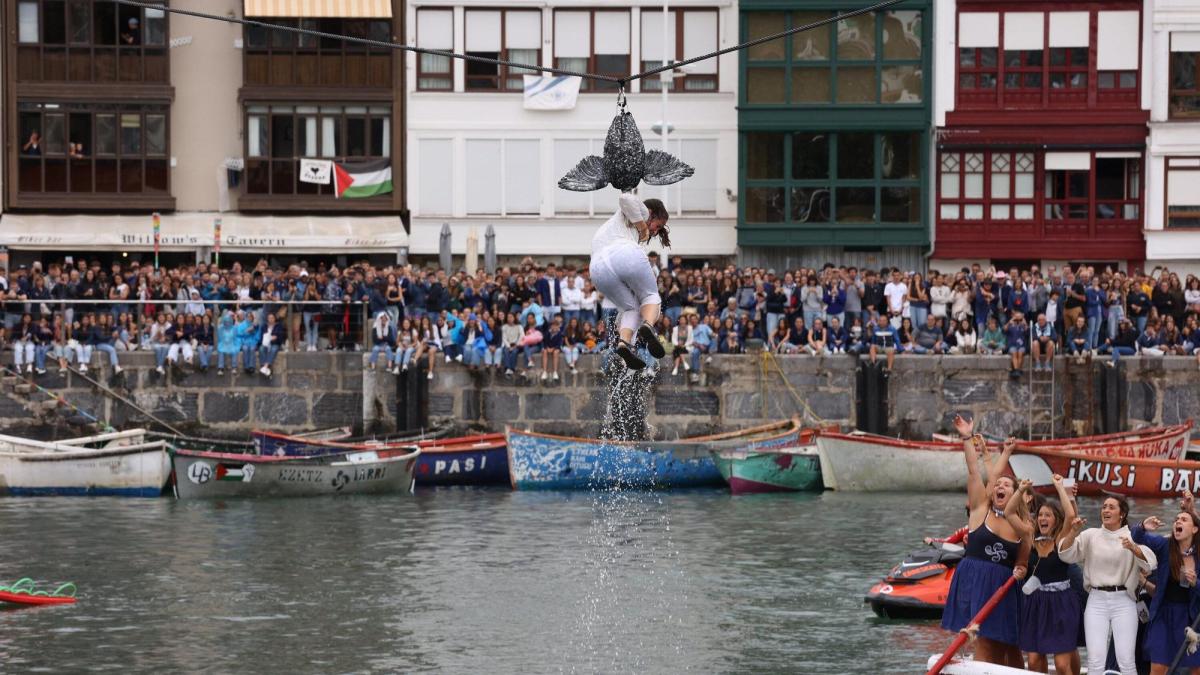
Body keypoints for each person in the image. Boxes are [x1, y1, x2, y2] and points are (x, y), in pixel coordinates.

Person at [942, 416, 1027, 668]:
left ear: (1016, 495)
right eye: (997, 484)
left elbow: (1022, 561)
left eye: (1006, 485)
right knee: (986, 643)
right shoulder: (981, 509)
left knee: (1008, 646)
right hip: (976, 580)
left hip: (1005, 589)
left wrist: (1021, 569)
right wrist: (967, 437)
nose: (999, 485)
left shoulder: (1022, 527)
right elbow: (973, 469)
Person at [1059, 494, 1156, 675]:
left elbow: (1150, 564)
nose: (1106, 510)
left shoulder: (1132, 536)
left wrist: (1134, 548)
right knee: (1095, 661)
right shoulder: (1091, 535)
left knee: (1126, 661)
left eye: (1111, 507)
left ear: (1122, 514)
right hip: (1096, 600)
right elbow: (1065, 554)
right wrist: (1073, 532)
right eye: (1104, 507)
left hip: (1124, 600)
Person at [1006, 476, 1081, 675]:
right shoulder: (1030, 536)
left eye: (1048, 515)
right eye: (1040, 515)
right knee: (1033, 661)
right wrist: (1020, 490)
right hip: (1035, 602)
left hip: (1061, 603)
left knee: (1062, 665)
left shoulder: (1061, 539)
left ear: (1056, 519)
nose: (1042, 519)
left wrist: (1059, 487)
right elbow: (1009, 512)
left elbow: (1070, 513)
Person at [589, 193, 671, 371]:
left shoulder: (617, 225)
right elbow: (625, 197)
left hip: (597, 270)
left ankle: (624, 344)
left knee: (631, 308)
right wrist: (643, 227)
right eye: (657, 226)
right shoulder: (641, 212)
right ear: (651, 213)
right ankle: (649, 326)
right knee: (651, 297)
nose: (655, 232)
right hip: (623, 254)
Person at [1132, 506, 1200, 675]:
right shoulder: (1165, 546)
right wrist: (1142, 526)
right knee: (1158, 666)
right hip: (1163, 614)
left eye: (1184, 519)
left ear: (1195, 529)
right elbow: (1136, 536)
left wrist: (1195, 583)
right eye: (1177, 519)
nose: (1178, 521)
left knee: (1196, 667)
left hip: (1190, 617)